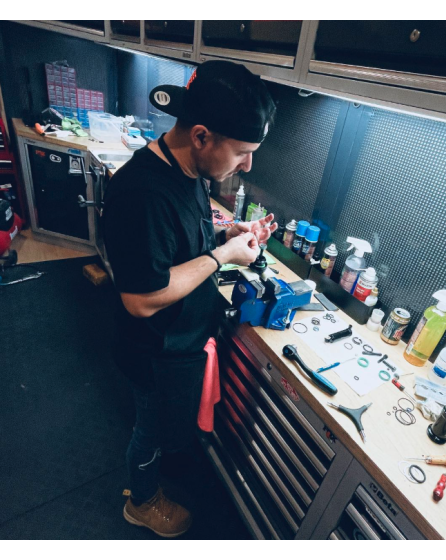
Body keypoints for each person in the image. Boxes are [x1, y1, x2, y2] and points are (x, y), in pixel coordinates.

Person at [103, 60, 277, 538]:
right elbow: (142, 298)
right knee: (150, 431)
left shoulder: (187, 170)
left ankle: (161, 464)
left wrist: (225, 233)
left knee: (163, 425)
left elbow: (177, 242)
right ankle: (141, 502)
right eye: (242, 153)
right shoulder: (142, 192)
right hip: (153, 351)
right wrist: (222, 256)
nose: (247, 166)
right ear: (201, 136)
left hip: (180, 343)